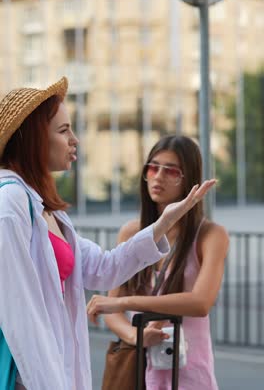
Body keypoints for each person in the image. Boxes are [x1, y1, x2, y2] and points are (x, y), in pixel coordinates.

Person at [0, 79, 215, 390]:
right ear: (33, 139)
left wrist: (162, 224)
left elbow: (104, 270)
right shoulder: (10, 205)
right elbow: (21, 315)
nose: (74, 140)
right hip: (30, 379)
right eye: (63, 131)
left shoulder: (45, 208)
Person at [87, 135, 229, 390]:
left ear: (189, 179)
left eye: (171, 170)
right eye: (153, 168)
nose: (158, 176)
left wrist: (125, 303)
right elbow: (114, 314)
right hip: (136, 370)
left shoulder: (210, 235)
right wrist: (136, 335)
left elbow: (200, 303)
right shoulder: (132, 233)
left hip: (188, 373)